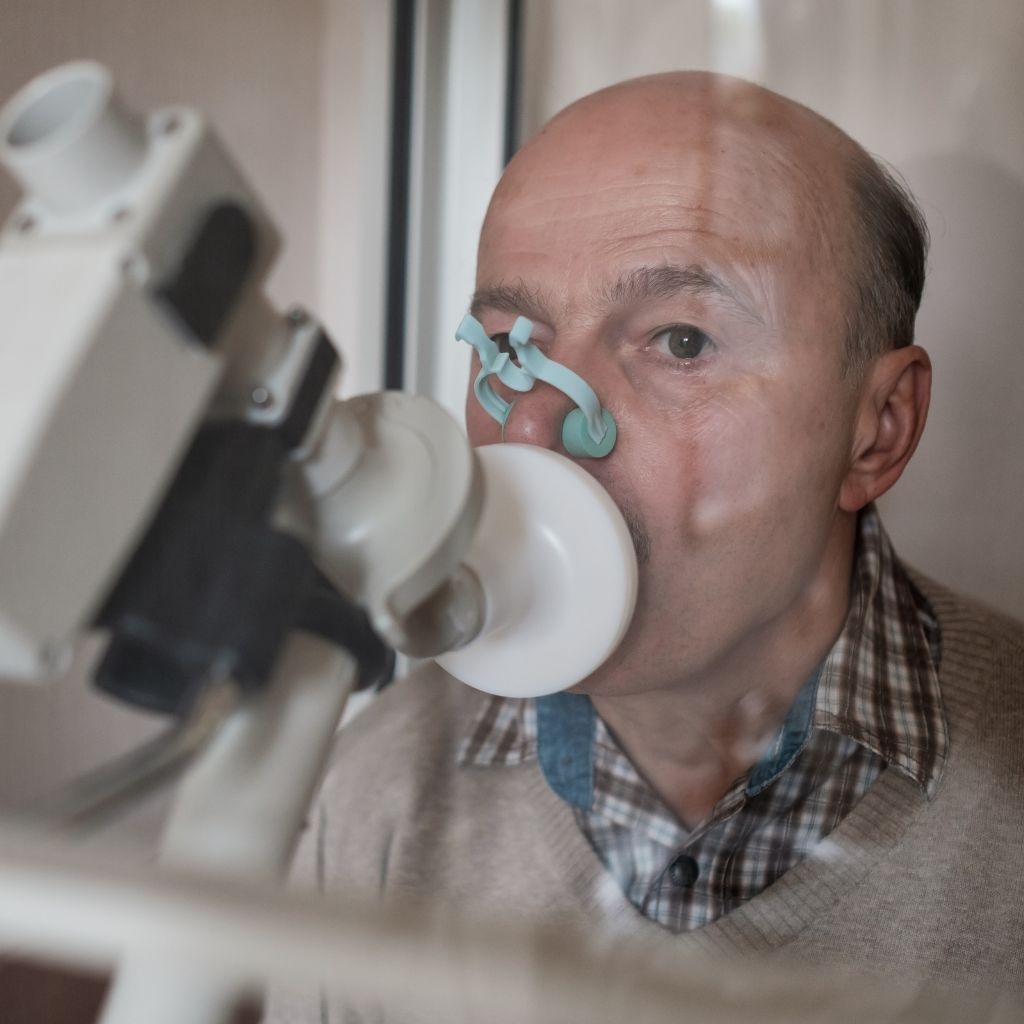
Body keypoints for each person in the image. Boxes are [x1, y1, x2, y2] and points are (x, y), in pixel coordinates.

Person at [270, 72, 1024, 1019]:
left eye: (679, 340)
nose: (537, 425)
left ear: (877, 427)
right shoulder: (381, 788)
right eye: (506, 345)